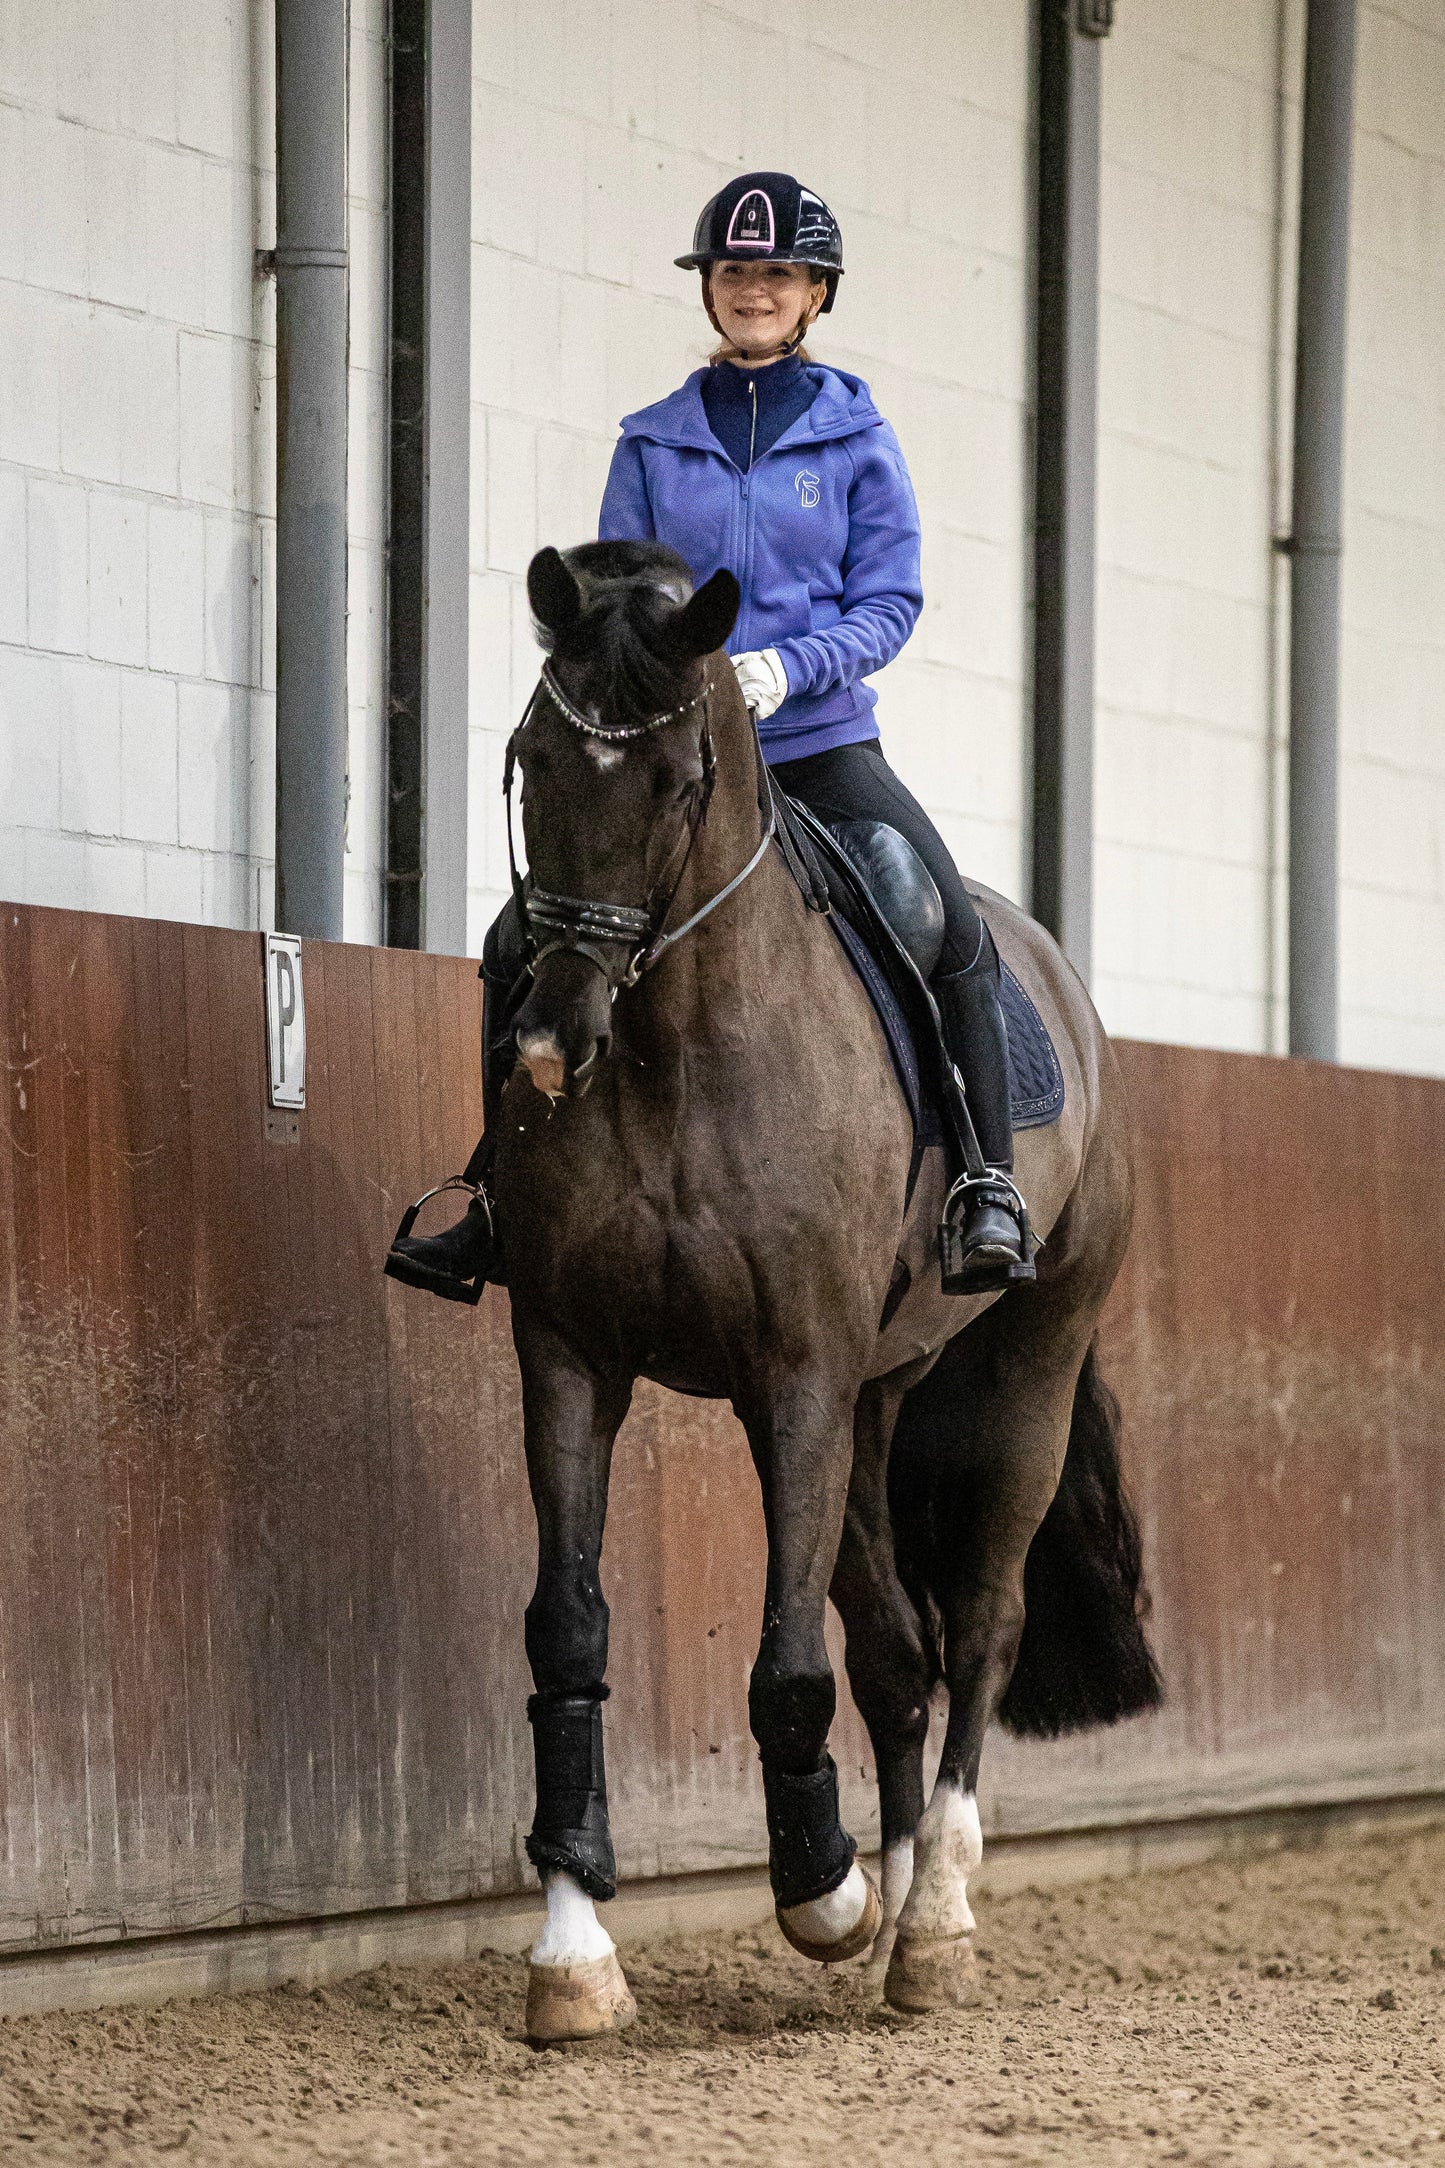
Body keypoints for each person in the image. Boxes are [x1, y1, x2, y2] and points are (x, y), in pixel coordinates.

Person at [386, 170, 1028, 1305]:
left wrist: (792, 665)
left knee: (941, 910)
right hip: (672, 759)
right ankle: (495, 1193)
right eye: (733, 272)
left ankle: (984, 1180)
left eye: (775, 273)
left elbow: (890, 600)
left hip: (818, 745)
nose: (752, 290)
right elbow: (619, 596)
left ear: (815, 292)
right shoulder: (651, 441)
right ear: (709, 290)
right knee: (514, 939)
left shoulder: (856, 437)